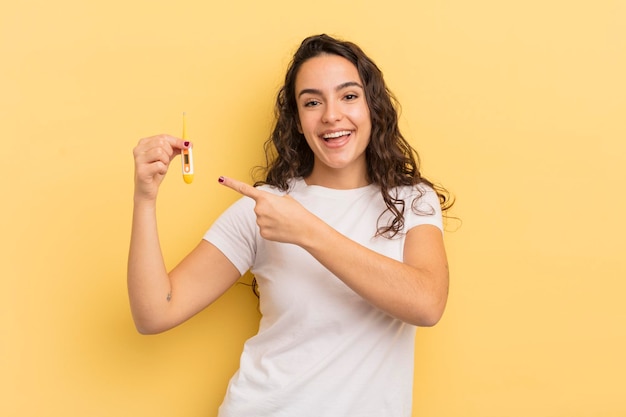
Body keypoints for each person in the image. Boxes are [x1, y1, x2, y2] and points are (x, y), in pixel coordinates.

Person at [129, 34, 453, 417]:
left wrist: (307, 231)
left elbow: (427, 303)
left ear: (372, 107)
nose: (331, 114)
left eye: (348, 96)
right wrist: (145, 198)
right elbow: (155, 313)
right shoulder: (265, 207)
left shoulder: (410, 200)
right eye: (312, 102)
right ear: (298, 122)